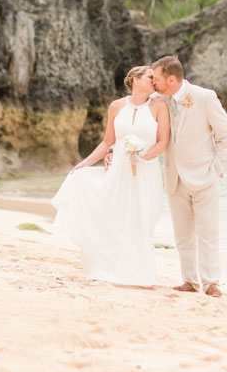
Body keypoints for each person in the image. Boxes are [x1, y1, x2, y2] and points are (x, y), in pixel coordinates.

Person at [52, 65, 170, 287]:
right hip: (119, 170)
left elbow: (163, 141)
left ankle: (140, 274)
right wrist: (85, 163)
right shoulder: (116, 106)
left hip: (147, 171)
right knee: (114, 217)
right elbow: (108, 141)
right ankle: (105, 268)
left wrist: (143, 157)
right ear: (135, 79)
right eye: (150, 77)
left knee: (143, 219)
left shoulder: (159, 106)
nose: (155, 81)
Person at [150, 55, 227, 298]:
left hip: (204, 176)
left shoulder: (204, 97)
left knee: (208, 232)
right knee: (183, 234)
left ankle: (210, 282)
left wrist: (217, 168)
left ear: (172, 79)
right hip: (174, 177)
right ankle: (189, 280)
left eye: (157, 78)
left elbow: (226, 134)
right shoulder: (158, 100)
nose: (153, 82)